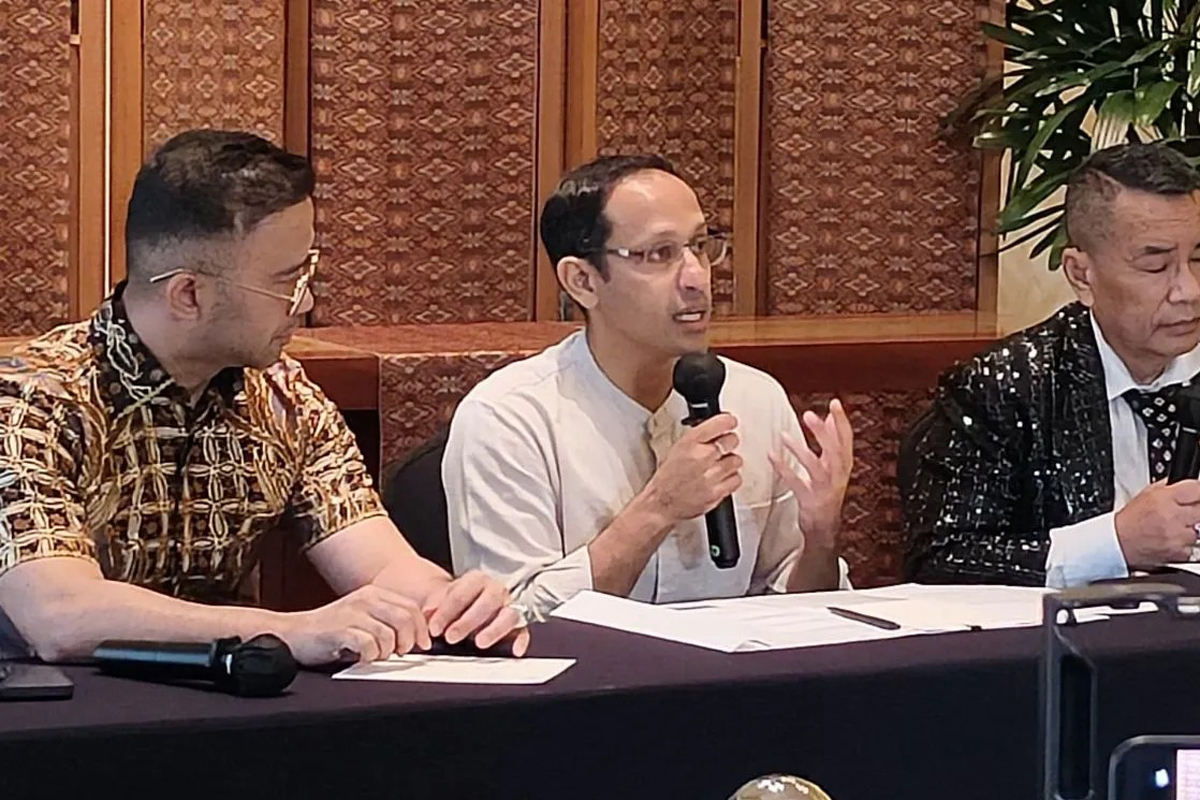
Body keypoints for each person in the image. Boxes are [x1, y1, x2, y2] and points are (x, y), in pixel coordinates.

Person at [0, 130, 528, 664]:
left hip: (232, 699)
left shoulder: (283, 397)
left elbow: (384, 566)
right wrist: (288, 629)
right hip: (53, 707)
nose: (307, 301)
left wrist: (452, 606)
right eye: (286, 280)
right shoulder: (31, 400)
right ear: (189, 294)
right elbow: (59, 615)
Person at [443, 154, 853, 621]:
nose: (697, 278)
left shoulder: (757, 399)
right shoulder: (508, 419)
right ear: (583, 281)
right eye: (659, 254)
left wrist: (820, 539)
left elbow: (798, 615)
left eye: (700, 246)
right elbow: (511, 620)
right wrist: (659, 507)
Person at [901, 142, 1200, 587]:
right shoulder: (1006, 387)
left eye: (1199, 259)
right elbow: (942, 557)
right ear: (1081, 275)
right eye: (1156, 267)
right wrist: (1114, 544)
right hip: (1068, 631)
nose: (1189, 291)